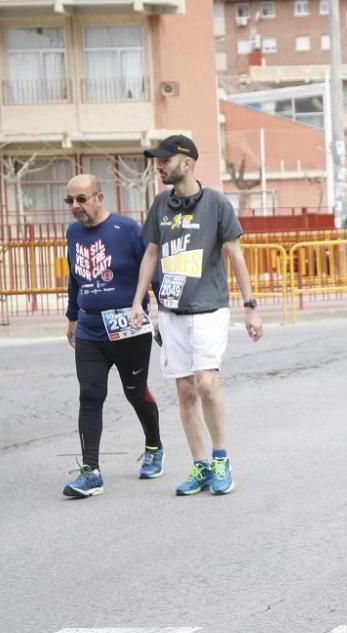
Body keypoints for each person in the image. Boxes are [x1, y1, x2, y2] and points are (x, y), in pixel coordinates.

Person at [130, 134, 264, 496]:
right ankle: (200, 465)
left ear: (186, 163)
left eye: (164, 160)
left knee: (206, 383)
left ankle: (221, 459)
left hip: (209, 307)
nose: (158, 166)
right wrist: (138, 302)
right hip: (171, 311)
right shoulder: (161, 205)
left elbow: (235, 254)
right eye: (157, 160)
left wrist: (250, 307)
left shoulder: (217, 203)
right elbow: (151, 255)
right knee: (185, 389)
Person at [62, 174, 163, 498]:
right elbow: (75, 277)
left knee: (135, 392)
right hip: (90, 330)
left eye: (81, 199)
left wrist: (163, 313)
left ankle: (153, 446)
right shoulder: (74, 233)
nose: (75, 206)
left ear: (99, 197)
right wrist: (72, 316)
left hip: (128, 327)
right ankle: (91, 472)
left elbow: (152, 270)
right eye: (70, 201)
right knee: (90, 396)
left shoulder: (127, 229)